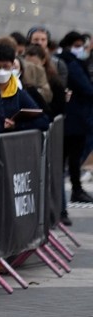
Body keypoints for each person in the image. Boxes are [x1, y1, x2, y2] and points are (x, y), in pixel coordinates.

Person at [56, 31, 93, 204]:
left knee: (71, 158)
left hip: (75, 119)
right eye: (78, 46)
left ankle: (75, 189)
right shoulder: (71, 63)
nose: (81, 50)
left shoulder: (73, 61)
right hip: (74, 120)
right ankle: (72, 191)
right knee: (71, 158)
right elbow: (86, 88)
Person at [0, 42, 49, 133]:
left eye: (6, 67)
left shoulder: (19, 94)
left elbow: (43, 121)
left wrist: (16, 125)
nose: (1, 71)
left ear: (12, 66)